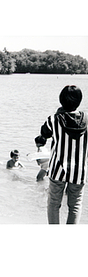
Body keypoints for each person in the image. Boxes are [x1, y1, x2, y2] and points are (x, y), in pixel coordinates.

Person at [40, 85, 88, 224]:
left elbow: (44, 134)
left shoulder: (54, 119)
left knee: (54, 204)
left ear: (61, 100)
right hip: (79, 171)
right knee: (75, 206)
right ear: (79, 101)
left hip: (58, 169)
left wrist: (58, 112)